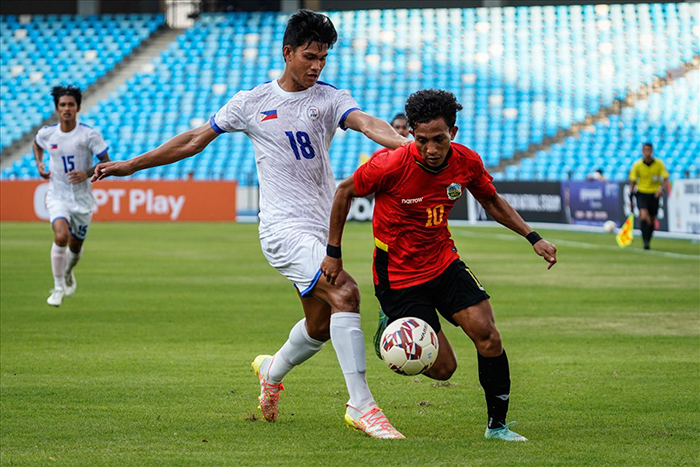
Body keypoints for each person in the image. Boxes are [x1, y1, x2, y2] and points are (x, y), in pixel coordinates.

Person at [91, 10, 409, 439]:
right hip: (281, 231)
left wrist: (405, 144)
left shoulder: (331, 98)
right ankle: (362, 406)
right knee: (347, 294)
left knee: (319, 326)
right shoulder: (252, 102)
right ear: (288, 52)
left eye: (324, 58)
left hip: (317, 229)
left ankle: (271, 372)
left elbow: (367, 123)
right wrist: (131, 164)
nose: (317, 65)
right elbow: (193, 140)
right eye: (310, 56)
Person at [320, 89, 558, 442]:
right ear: (411, 134)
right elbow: (343, 192)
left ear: (454, 134)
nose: (431, 149)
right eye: (422, 140)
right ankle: (388, 333)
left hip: (444, 262)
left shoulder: (466, 161)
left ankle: (497, 427)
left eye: (439, 140)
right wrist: (333, 252)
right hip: (398, 276)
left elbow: (491, 201)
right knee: (445, 368)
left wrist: (532, 236)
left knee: (488, 335)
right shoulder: (390, 164)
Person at [33, 84, 110, 307]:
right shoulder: (47, 134)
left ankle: (67, 272)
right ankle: (58, 288)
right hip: (57, 195)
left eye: (71, 105)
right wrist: (39, 163)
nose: (66, 108)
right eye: (62, 105)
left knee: (75, 248)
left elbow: (106, 162)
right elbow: (37, 144)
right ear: (57, 108)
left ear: (77, 108)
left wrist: (86, 172)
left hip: (83, 200)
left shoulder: (89, 135)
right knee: (61, 237)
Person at [629, 142, 670, 250]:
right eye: (645, 150)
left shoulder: (659, 164)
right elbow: (633, 181)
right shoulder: (637, 164)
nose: (647, 152)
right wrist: (631, 197)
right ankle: (645, 241)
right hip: (642, 192)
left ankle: (648, 239)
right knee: (643, 215)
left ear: (652, 151)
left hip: (654, 194)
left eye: (649, 150)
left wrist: (660, 189)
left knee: (651, 219)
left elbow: (665, 179)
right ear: (642, 151)